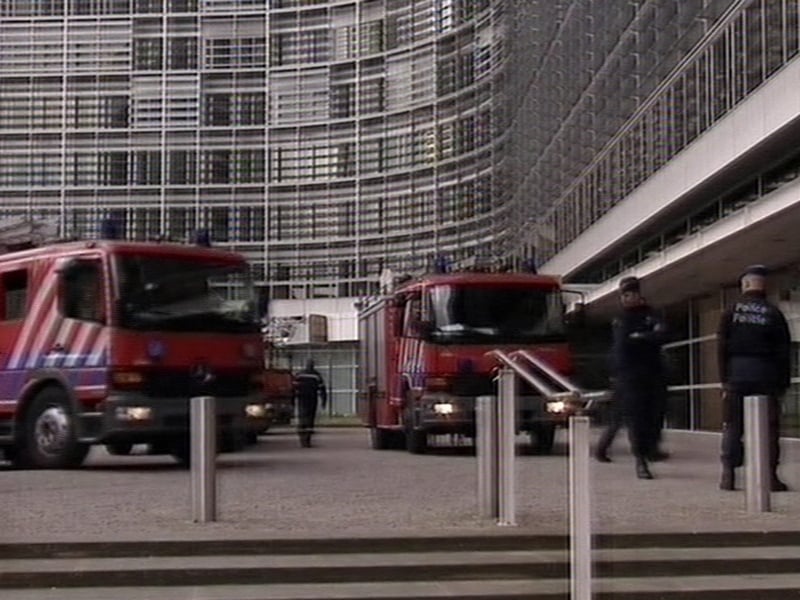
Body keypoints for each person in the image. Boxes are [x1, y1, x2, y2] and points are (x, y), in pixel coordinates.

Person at [717, 265, 792, 492]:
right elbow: (783, 352)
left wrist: (724, 381)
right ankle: (770, 477)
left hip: (737, 374)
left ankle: (728, 475)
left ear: (745, 285)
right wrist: (783, 384)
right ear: (763, 285)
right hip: (766, 375)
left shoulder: (731, 311)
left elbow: (721, 348)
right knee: (769, 429)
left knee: (733, 426)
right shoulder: (773, 313)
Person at [596, 276, 668, 479]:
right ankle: (640, 459)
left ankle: (645, 450)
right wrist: (646, 338)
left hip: (653, 374)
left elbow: (662, 335)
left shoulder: (652, 314)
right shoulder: (621, 319)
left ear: (638, 295)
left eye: (631, 294)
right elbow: (623, 346)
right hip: (629, 376)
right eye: (624, 295)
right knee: (632, 417)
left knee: (652, 416)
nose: (627, 299)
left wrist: (641, 337)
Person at [293, 358, 327, 448]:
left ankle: (302, 439)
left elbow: (293, 388)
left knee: (302, 417)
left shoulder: (299, 375)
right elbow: (322, 389)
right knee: (310, 419)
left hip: (301, 399)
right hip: (312, 399)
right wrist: (324, 401)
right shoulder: (316, 375)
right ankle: (307, 440)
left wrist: (292, 400)